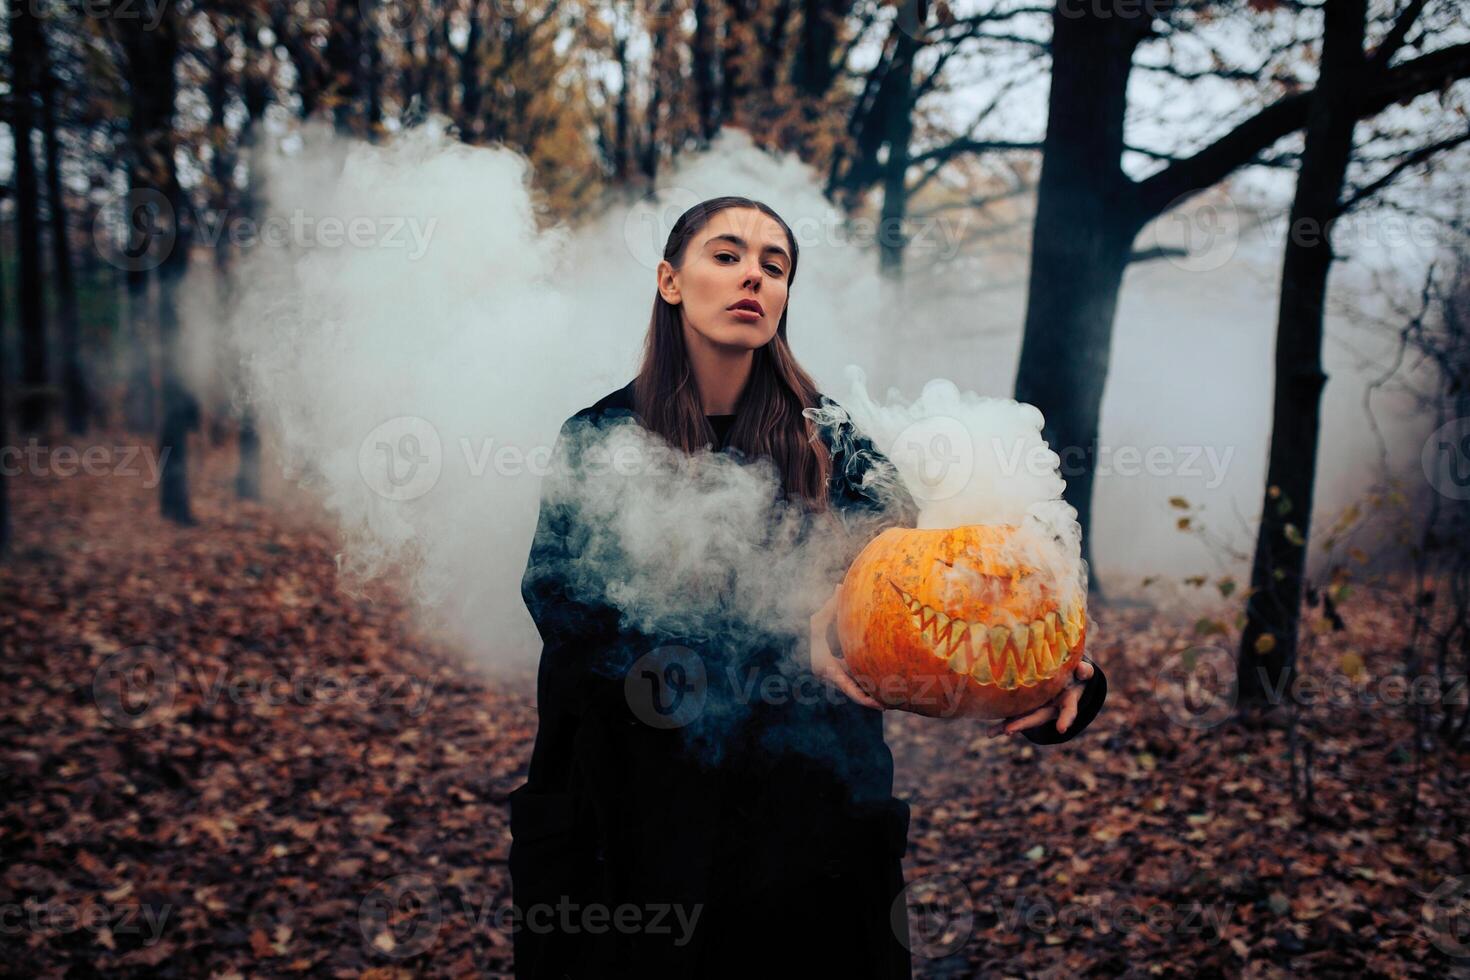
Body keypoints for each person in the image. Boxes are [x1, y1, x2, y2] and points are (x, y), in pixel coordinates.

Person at [508, 196, 1107, 979]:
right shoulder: (598, 438)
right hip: (639, 832)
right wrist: (793, 638)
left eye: (774, 264)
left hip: (813, 837)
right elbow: (571, 615)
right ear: (670, 280)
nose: (752, 274)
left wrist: (1055, 680)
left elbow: (944, 589)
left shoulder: (839, 443)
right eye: (725, 256)